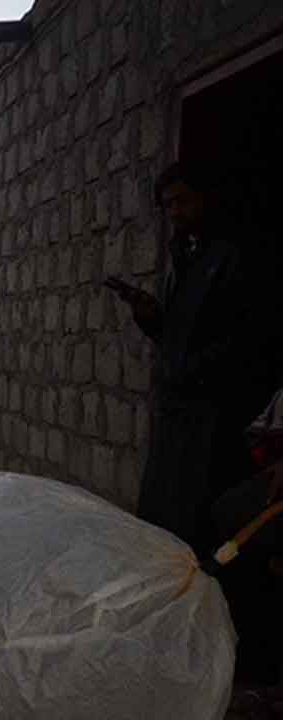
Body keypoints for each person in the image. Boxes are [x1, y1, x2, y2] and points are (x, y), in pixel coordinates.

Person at [111, 162, 283, 686]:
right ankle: (178, 644)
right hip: (177, 420)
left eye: (183, 202)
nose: (175, 213)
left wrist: (194, 369)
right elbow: (179, 336)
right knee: (167, 530)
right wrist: (151, 319)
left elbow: (248, 339)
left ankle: (238, 655)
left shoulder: (235, 258)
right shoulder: (182, 258)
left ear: (206, 199)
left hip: (215, 422)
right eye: (167, 206)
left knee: (216, 535)